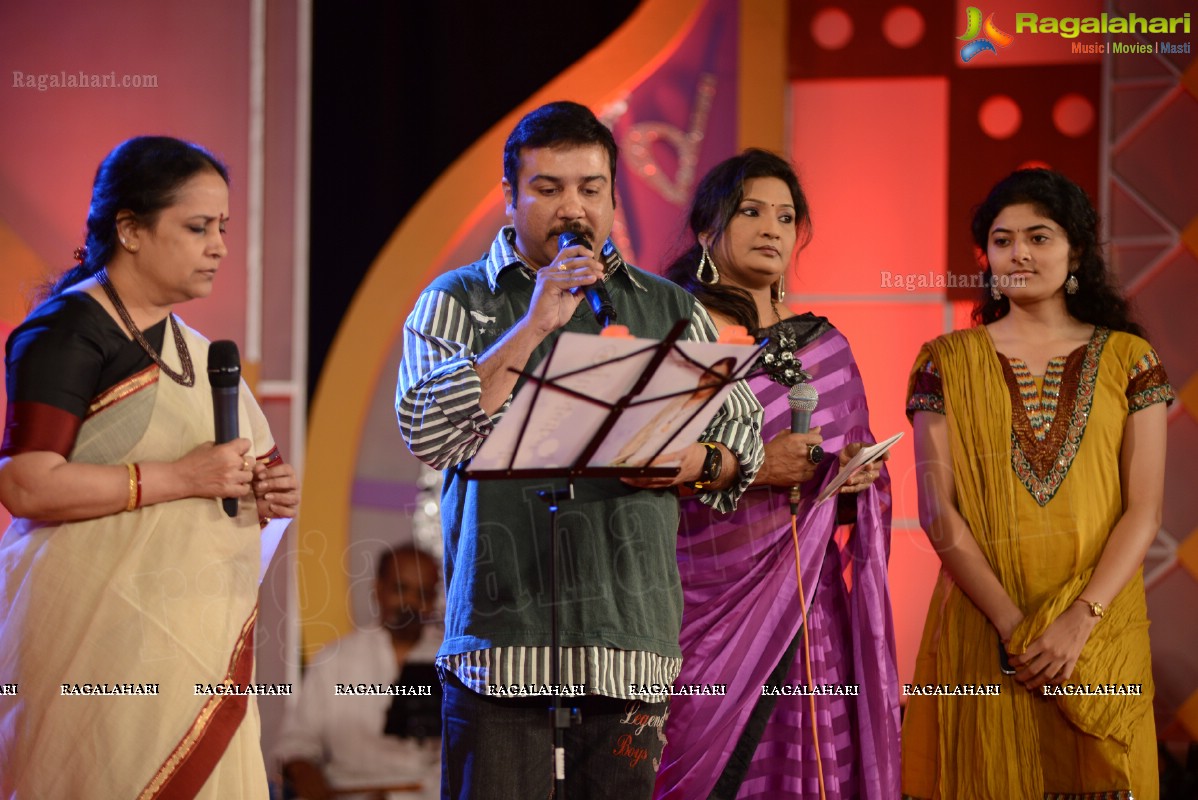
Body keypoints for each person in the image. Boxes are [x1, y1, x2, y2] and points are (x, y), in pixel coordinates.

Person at [395, 101, 764, 799]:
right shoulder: (455, 301)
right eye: (548, 188)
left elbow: (741, 430)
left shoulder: (666, 306)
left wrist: (691, 463)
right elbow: (427, 429)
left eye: (591, 189)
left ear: (614, 197)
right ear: (509, 198)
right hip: (503, 645)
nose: (573, 209)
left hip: (629, 642)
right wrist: (535, 323)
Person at [0, 136, 300, 798]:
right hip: (94, 649)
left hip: (191, 644)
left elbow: (239, 478)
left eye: (221, 227)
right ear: (129, 229)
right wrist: (182, 478)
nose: (219, 246)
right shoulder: (64, 332)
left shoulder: (197, 350)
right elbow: (25, 483)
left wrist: (264, 490)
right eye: (198, 228)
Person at [901, 168, 1170, 799]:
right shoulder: (945, 361)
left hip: (1100, 630)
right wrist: (1015, 630)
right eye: (1002, 240)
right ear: (986, 257)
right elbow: (939, 513)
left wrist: (1080, 619)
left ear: (1074, 251)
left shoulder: (1131, 359)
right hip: (986, 629)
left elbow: (1145, 510)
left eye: (1038, 237)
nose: (1018, 252)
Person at [655, 148, 900, 799]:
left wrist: (854, 480)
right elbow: (641, 469)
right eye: (752, 211)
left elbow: (862, 486)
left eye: (786, 217)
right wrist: (760, 470)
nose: (771, 228)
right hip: (704, 607)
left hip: (809, 614)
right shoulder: (681, 339)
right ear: (708, 230)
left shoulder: (827, 349)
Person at [276, 545, 443, 800]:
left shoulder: (452, 662)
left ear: (434, 600)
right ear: (377, 589)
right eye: (400, 589)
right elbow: (297, 740)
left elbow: (469, 754)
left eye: (422, 594)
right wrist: (302, 770)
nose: (410, 603)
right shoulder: (335, 660)